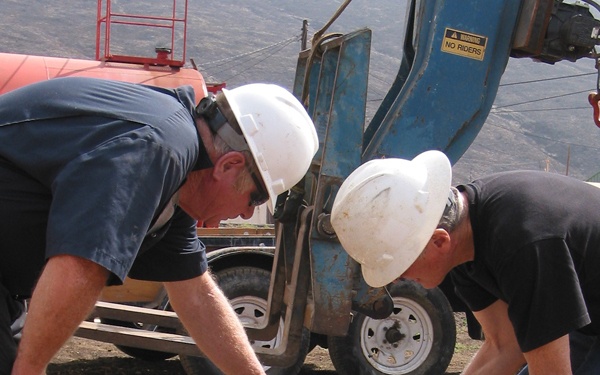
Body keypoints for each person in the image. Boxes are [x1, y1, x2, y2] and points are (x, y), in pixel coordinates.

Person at [0, 76, 319, 375]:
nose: (248, 215)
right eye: (256, 197)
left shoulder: (176, 180)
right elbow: (83, 264)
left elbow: (196, 295)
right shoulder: (158, 147)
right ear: (229, 165)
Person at [330, 150, 600, 375]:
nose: (395, 279)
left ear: (438, 241)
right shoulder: (465, 240)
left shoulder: (523, 245)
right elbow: (505, 346)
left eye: (399, 265)